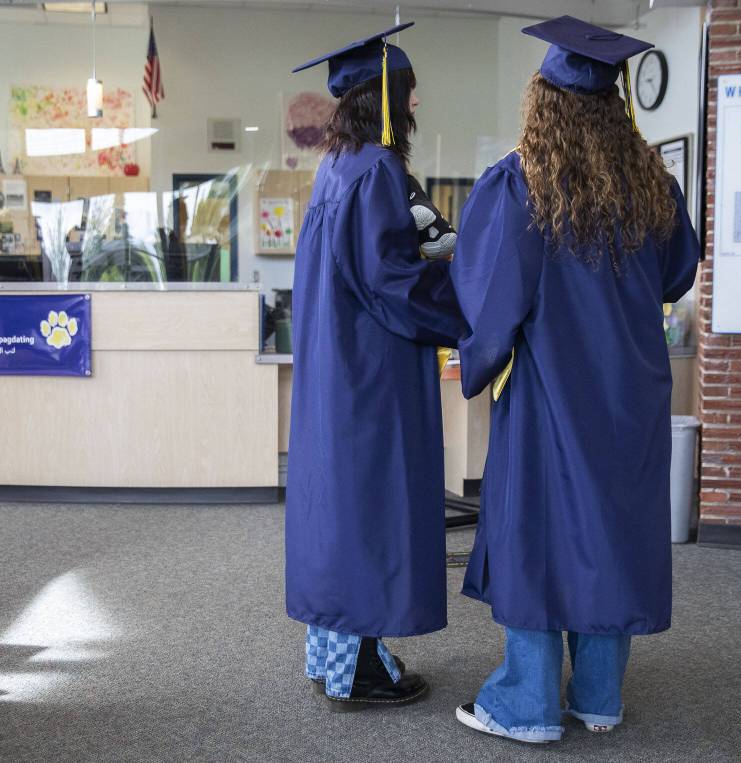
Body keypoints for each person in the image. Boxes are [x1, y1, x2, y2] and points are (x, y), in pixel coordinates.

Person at [449, 15, 701, 743]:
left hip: (551, 392)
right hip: (632, 392)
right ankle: (597, 696)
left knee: (538, 534)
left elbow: (493, 298)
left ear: (542, 103)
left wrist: (477, 355)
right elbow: (679, 271)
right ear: (614, 105)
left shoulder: (522, 184)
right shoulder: (652, 184)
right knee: (612, 533)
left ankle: (526, 704)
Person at [286, 23, 465, 709]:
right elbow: (395, 283)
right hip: (374, 373)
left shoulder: (335, 166)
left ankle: (331, 651)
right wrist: (467, 297)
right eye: (410, 92)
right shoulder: (379, 172)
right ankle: (357, 670)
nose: (416, 105)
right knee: (371, 511)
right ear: (386, 96)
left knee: (339, 507)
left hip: (338, 368)